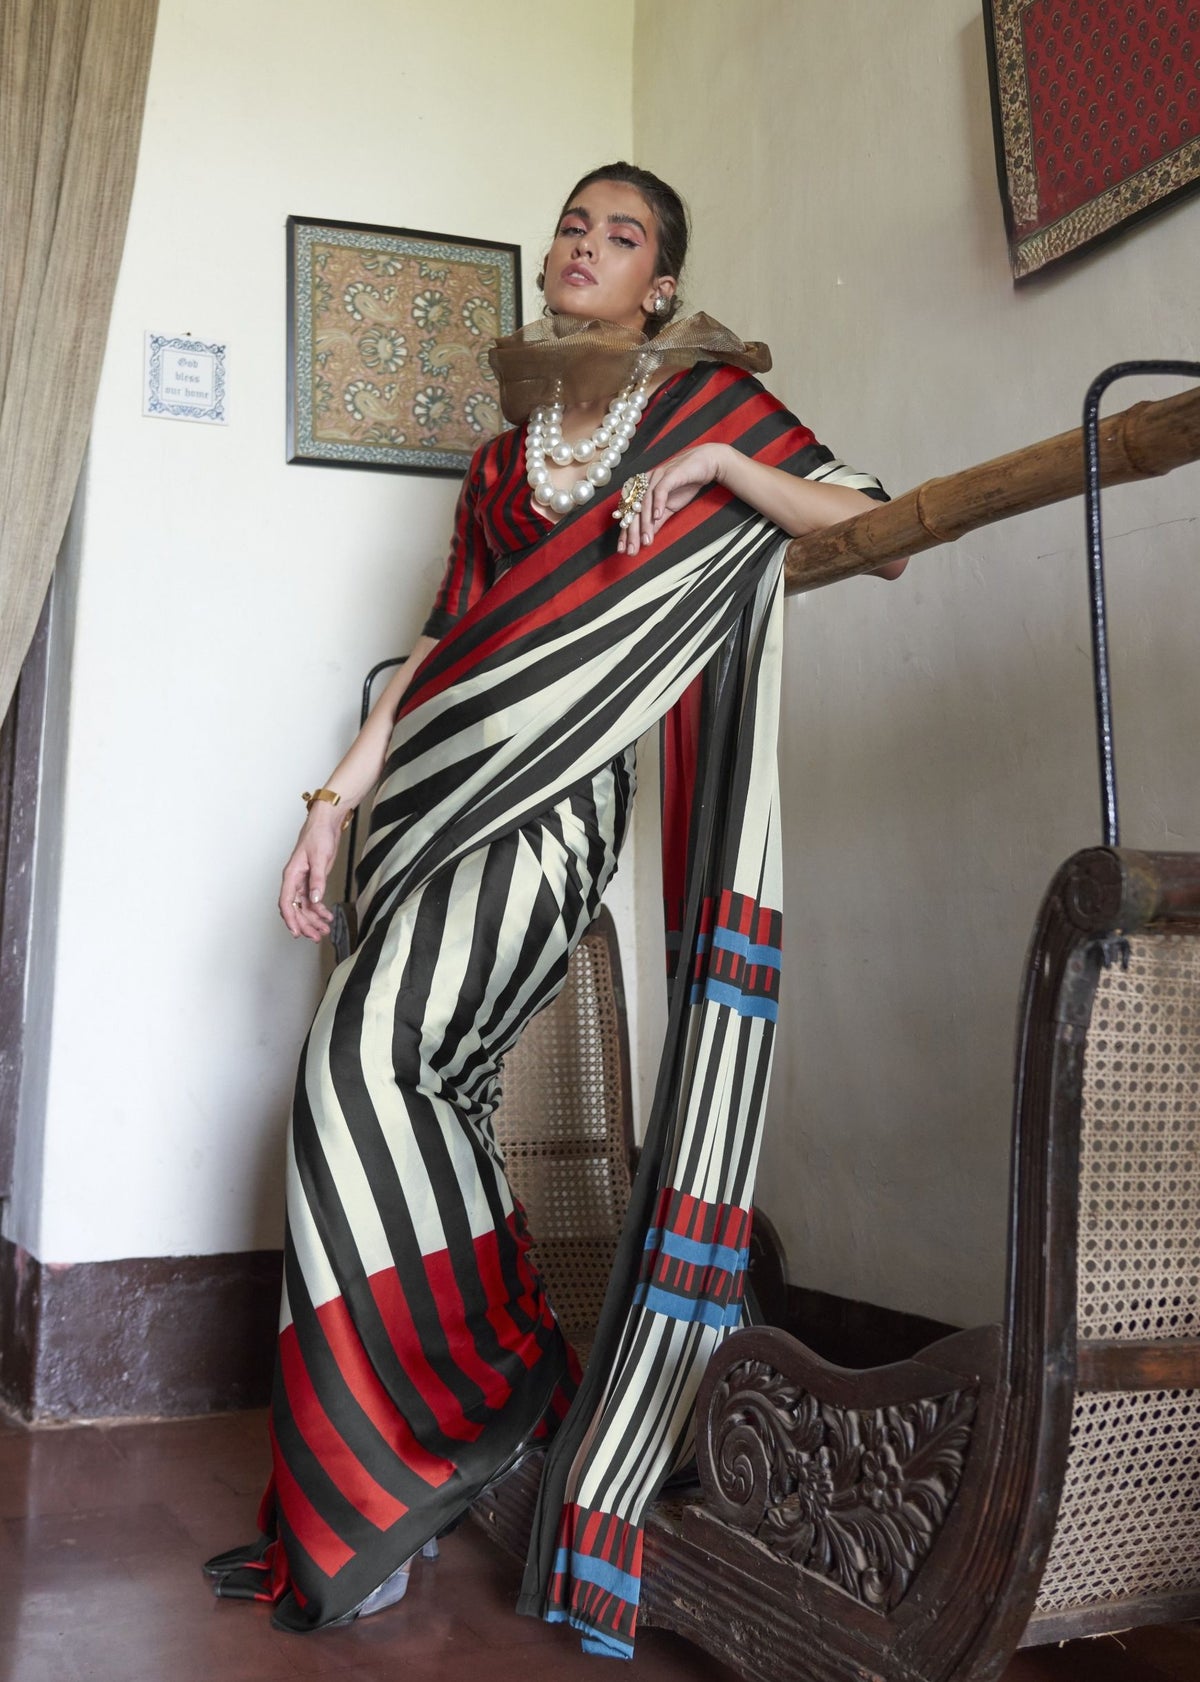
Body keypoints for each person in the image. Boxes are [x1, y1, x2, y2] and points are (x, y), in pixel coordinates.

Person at [204, 162, 903, 1652]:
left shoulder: (700, 411)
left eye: (623, 233)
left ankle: (474, 1401)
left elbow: (869, 521)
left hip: (556, 811)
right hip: (429, 797)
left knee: (357, 1070)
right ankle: (444, 1433)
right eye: (573, 227)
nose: (586, 246)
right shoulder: (502, 463)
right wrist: (331, 804)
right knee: (411, 1088)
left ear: (662, 283)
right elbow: (439, 651)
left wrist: (720, 478)